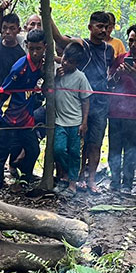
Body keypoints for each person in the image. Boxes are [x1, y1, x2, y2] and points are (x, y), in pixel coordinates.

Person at [51, 11, 117, 193]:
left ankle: (91, 180)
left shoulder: (109, 50)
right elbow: (58, 38)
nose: (103, 30)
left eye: (106, 27)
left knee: (95, 142)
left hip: (101, 102)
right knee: (75, 143)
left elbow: (107, 72)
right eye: (99, 26)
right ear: (90, 27)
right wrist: (48, 16)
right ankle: (73, 177)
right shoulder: (82, 45)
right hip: (78, 103)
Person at [0, 28, 47, 190]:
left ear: (45, 46)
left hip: (26, 118)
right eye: (32, 49)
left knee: (33, 149)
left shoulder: (42, 65)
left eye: (39, 48)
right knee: (2, 151)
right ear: (26, 46)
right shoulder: (20, 67)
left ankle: (25, 178)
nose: (35, 52)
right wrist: (2, 112)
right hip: (9, 117)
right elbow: (4, 91)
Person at [108, 23, 136, 194]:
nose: (133, 44)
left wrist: (134, 74)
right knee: (114, 148)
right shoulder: (120, 58)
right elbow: (109, 82)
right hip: (116, 110)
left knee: (132, 150)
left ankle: (127, 184)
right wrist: (118, 73)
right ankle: (114, 182)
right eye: (131, 40)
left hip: (135, 113)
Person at [54, 42, 91, 198]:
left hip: (75, 122)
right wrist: (56, 79)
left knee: (75, 152)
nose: (65, 63)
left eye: (70, 61)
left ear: (77, 63)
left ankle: (72, 184)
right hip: (59, 121)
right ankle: (65, 174)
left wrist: (84, 122)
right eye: (64, 58)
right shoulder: (57, 72)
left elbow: (85, 100)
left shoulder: (81, 78)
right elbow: (46, 90)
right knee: (59, 149)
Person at [0, 12, 26, 88]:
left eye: (12, 29)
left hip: (8, 92)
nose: (8, 32)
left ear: (18, 30)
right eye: (5, 28)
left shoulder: (20, 55)